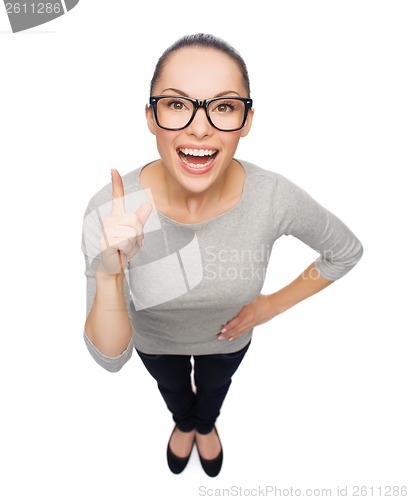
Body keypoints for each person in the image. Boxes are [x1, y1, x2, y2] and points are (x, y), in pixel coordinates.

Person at [81, 33, 363, 477]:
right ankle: (182, 423)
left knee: (214, 389)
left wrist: (269, 306)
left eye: (224, 106)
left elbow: (344, 252)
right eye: (176, 104)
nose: (200, 126)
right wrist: (107, 275)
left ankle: (206, 424)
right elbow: (110, 358)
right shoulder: (110, 210)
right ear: (151, 117)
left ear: (246, 120)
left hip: (229, 340)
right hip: (154, 344)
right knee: (173, 391)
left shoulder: (274, 196)